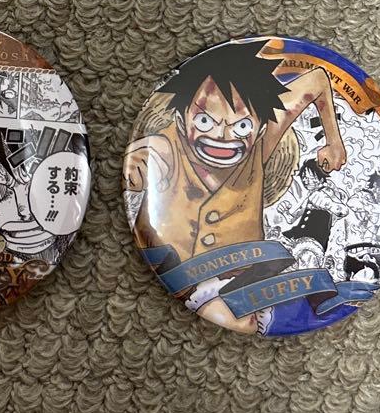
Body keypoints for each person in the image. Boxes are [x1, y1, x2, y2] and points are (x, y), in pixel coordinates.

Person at [125, 39, 348, 333]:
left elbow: (317, 79)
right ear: (180, 118)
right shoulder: (166, 148)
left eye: (242, 126)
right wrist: (140, 164)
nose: (222, 135)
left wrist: (334, 142)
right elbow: (151, 152)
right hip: (174, 280)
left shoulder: (260, 145)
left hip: (246, 287)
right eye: (204, 120)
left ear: (260, 128)